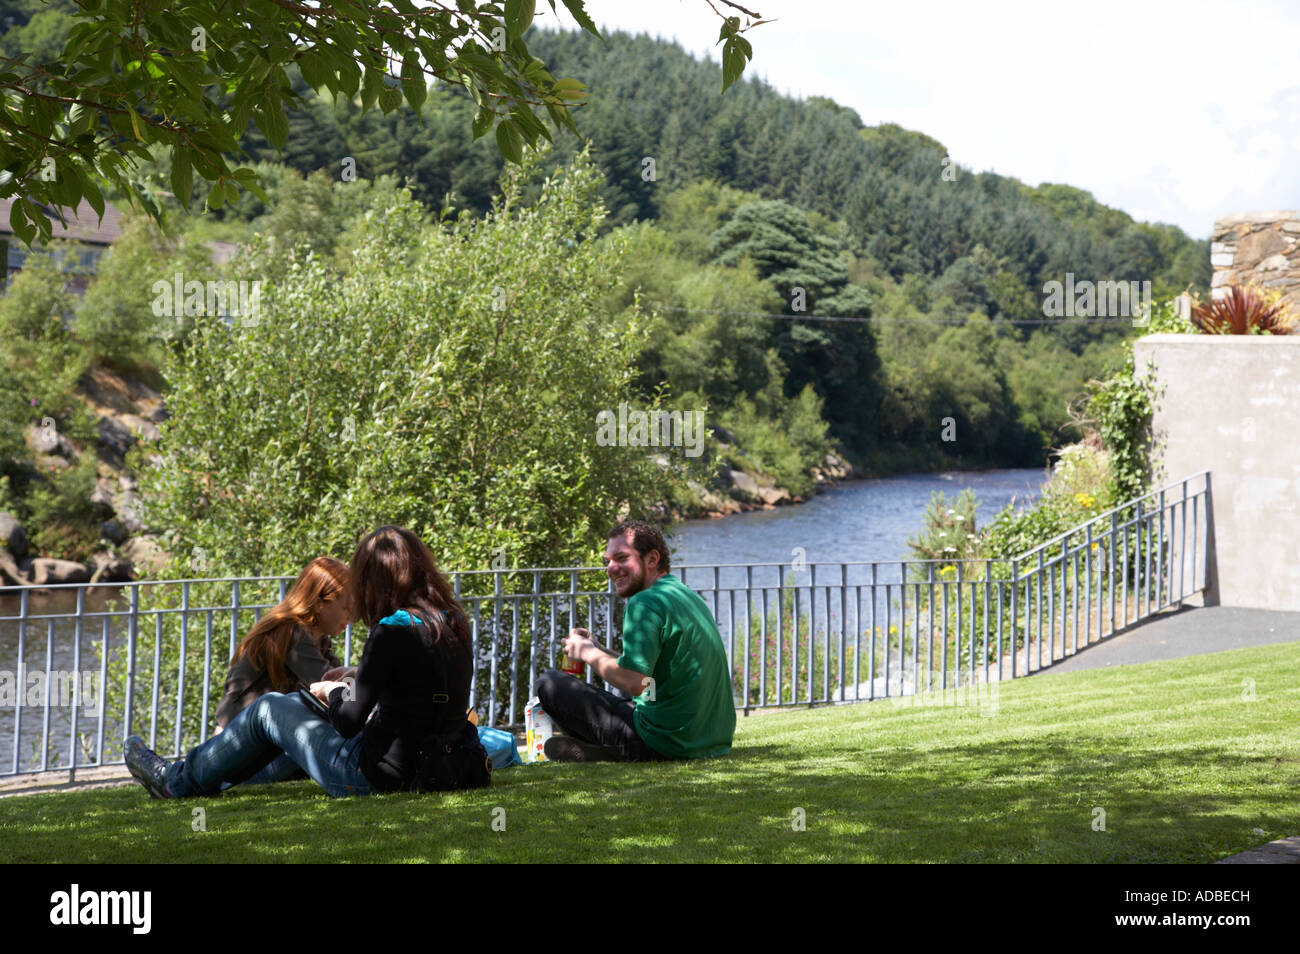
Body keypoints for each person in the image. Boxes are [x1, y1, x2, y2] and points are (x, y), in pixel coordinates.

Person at [123, 525, 483, 798]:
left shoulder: (391, 630)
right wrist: (362, 675)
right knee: (292, 709)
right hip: (445, 766)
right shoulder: (451, 621)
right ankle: (211, 772)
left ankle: (174, 780)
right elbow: (424, 688)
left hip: (380, 775)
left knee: (270, 709)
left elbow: (347, 721)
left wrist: (333, 689)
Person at [536, 519, 736, 762]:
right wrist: (599, 649)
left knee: (550, 684)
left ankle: (606, 749)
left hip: (665, 743)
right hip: (712, 740)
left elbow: (636, 682)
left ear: (652, 559)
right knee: (623, 698)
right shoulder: (683, 594)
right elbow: (650, 676)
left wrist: (587, 653)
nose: (611, 568)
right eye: (607, 561)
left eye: (621, 558)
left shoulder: (644, 603)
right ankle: (601, 750)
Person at [211, 556, 350, 786]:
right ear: (319, 602)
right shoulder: (291, 632)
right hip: (241, 746)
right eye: (346, 607)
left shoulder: (317, 638)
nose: (351, 616)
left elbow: (340, 686)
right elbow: (329, 686)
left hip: (256, 743)